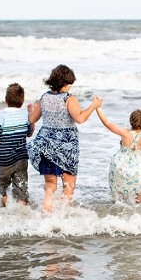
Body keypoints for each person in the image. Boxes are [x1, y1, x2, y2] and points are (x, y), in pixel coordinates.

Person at [27, 64, 102, 213]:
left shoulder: (44, 97)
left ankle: (46, 215)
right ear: (65, 82)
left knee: (50, 187)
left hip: (44, 144)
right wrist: (94, 105)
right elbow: (80, 118)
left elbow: (32, 119)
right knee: (68, 189)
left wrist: (31, 110)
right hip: (66, 147)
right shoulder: (69, 99)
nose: (70, 86)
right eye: (69, 83)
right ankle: (60, 220)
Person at [0, 83, 35, 206]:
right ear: (22, 100)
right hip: (20, 158)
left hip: (3, 159)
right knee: (21, 187)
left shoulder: (1, 117)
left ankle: (4, 209)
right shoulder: (25, 115)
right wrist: (31, 115)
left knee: (2, 187)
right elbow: (29, 133)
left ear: (5, 100)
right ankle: (20, 210)